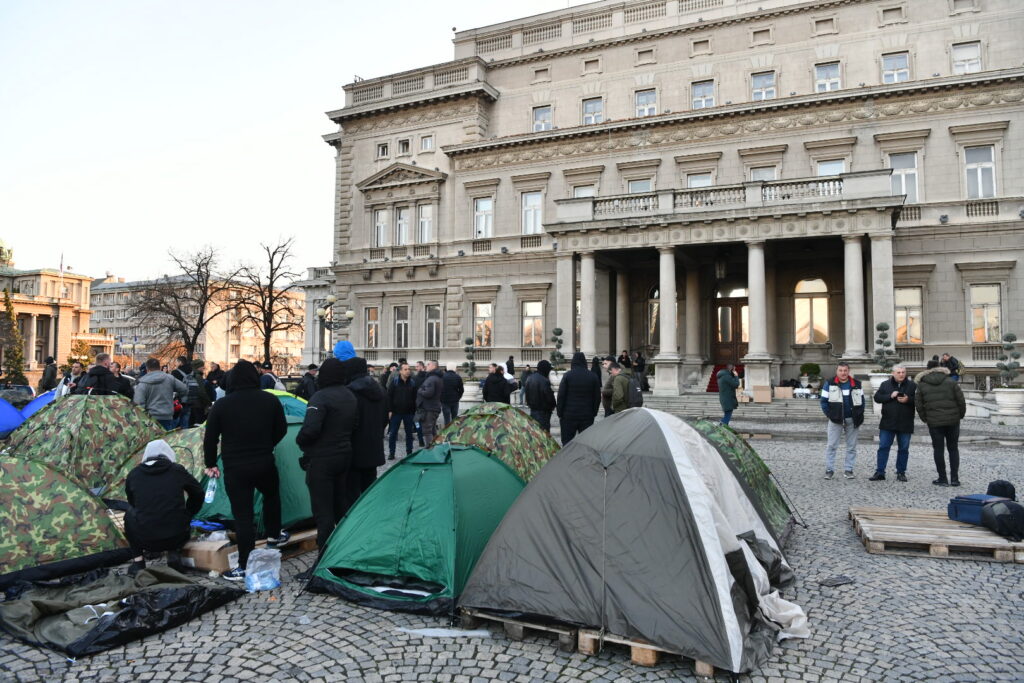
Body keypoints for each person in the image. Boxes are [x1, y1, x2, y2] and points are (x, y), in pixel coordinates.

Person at [203, 359, 289, 581]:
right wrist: (267, 444)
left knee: (243, 515)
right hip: (263, 461)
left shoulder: (222, 405)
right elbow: (281, 428)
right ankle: (273, 535)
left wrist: (211, 463)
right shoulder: (269, 400)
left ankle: (243, 565)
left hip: (235, 466)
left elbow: (210, 438)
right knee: (272, 497)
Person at [295, 358, 358, 552]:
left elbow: (311, 430)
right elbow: (355, 425)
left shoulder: (320, 397)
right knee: (340, 504)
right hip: (344, 454)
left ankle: (323, 558)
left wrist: (300, 440)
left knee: (323, 511)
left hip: (322, 458)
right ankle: (346, 549)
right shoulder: (350, 396)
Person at [124, 439, 203, 574]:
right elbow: (199, 493)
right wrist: (189, 513)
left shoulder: (134, 474)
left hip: (145, 538)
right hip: (177, 535)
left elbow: (132, 503)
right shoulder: (177, 470)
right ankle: (174, 551)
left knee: (129, 514)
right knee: (175, 513)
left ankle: (138, 562)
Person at [341, 355, 386, 507]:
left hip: (355, 449)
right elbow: (385, 418)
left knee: (352, 494)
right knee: (369, 491)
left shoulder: (349, 393)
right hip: (373, 447)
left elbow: (348, 422)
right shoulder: (379, 390)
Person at [916, 359, 967, 487]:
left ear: (927, 370)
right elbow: (961, 401)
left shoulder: (922, 384)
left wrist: (925, 419)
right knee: (953, 449)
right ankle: (955, 479)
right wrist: (959, 416)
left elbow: (919, 405)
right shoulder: (951, 381)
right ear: (940, 367)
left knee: (938, 449)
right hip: (953, 420)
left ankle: (942, 478)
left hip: (934, 422)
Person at [870, 365, 917, 482]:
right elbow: (877, 398)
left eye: (903, 372)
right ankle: (880, 472)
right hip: (888, 422)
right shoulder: (885, 384)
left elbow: (920, 400)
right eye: (899, 372)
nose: (901, 374)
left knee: (903, 449)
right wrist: (890, 396)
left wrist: (908, 400)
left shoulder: (912, 385)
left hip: (905, 422)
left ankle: (901, 472)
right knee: (883, 447)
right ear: (893, 373)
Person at [820, 362, 865, 480]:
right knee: (831, 445)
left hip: (852, 420)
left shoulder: (857, 384)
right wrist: (830, 415)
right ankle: (829, 470)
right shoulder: (829, 383)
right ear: (837, 371)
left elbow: (862, 402)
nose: (843, 373)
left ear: (848, 371)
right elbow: (823, 402)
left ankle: (848, 470)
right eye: (840, 370)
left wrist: (859, 414)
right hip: (836, 420)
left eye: (845, 370)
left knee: (851, 446)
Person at [556, 351, 602, 445]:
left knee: (567, 443)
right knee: (586, 443)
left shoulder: (568, 375)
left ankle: (568, 459)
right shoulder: (593, 376)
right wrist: (594, 412)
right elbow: (597, 397)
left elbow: (561, 396)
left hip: (568, 415)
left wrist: (560, 413)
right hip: (587, 415)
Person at [134, 358, 188, 429]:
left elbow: (139, 403)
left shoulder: (143, 383)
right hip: (167, 416)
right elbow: (184, 389)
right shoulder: (169, 378)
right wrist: (177, 398)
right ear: (159, 367)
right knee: (165, 439)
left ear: (147, 369)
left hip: (150, 418)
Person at [386, 363, 417, 460]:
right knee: (393, 433)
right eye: (405, 369)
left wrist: (414, 410)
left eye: (409, 369)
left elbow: (415, 397)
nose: (408, 371)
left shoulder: (412, 383)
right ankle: (392, 453)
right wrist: (390, 410)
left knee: (409, 434)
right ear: (400, 371)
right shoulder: (394, 382)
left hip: (409, 413)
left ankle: (409, 452)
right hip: (396, 412)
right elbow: (389, 397)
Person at [416, 360, 444, 444]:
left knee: (427, 431)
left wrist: (420, 390)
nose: (426, 366)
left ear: (434, 366)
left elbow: (428, 393)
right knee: (432, 430)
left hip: (429, 408)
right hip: (434, 407)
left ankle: (430, 451)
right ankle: (435, 449)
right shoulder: (437, 377)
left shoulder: (431, 379)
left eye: (428, 364)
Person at [525, 359, 556, 432]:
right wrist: (553, 406)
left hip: (533, 410)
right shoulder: (544, 380)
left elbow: (527, 395)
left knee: (536, 432)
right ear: (545, 369)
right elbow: (549, 398)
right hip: (543, 412)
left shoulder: (530, 378)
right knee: (544, 432)